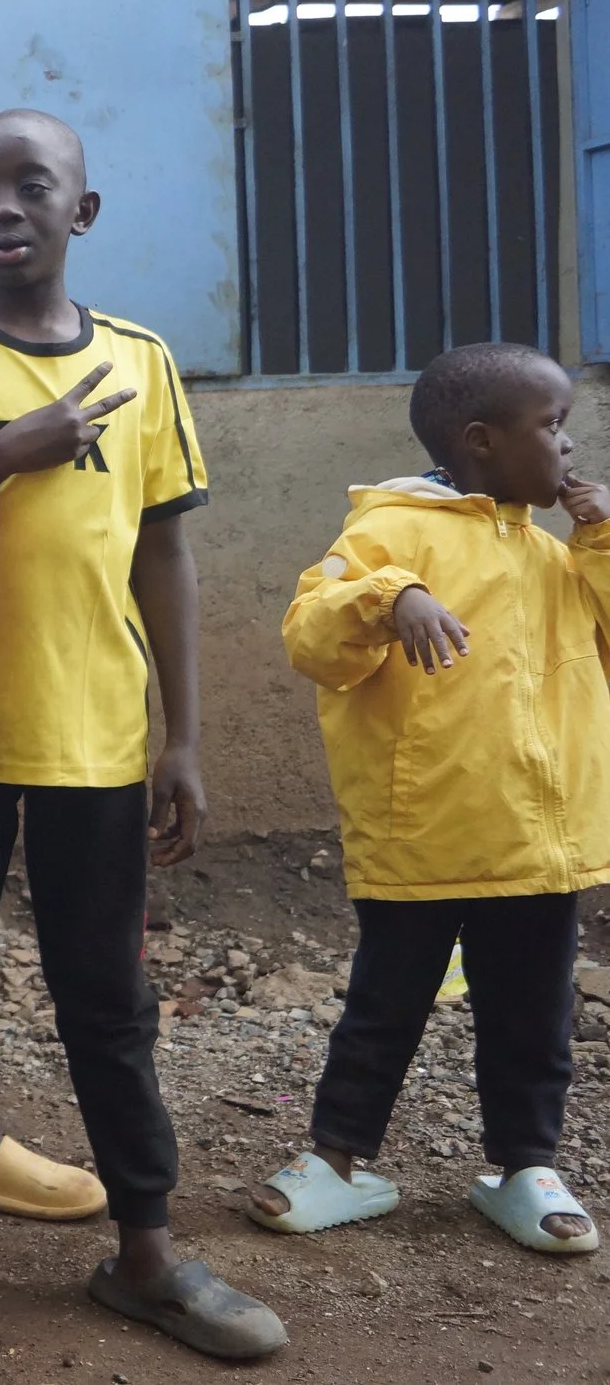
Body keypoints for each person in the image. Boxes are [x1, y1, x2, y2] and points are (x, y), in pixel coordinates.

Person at [0, 108, 284, 1358]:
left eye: (31, 185)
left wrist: (182, 737)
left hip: (95, 740)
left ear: (84, 210)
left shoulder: (142, 360)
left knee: (106, 998)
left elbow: (162, 549)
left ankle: (147, 1246)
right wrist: (1, 456)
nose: (4, 205)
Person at [256, 342, 605, 1255]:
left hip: (540, 839)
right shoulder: (392, 529)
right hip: (421, 836)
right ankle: (336, 1161)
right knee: (386, 1004)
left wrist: (603, 538)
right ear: (482, 442)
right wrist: (391, 592)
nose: (569, 447)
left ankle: (525, 1165)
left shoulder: (554, 552)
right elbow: (312, 632)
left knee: (533, 1010)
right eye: (553, 426)